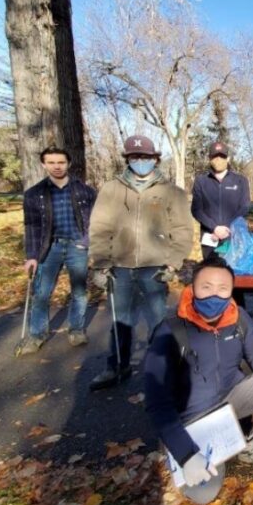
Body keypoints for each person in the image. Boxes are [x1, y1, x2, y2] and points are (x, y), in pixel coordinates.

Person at [144, 256, 253, 502]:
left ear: (232, 291)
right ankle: (191, 454)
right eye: (206, 287)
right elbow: (156, 402)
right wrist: (186, 454)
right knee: (203, 494)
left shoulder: (238, 317)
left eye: (223, 289)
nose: (214, 296)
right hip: (194, 418)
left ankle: (251, 447)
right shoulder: (170, 331)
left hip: (231, 398)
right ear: (192, 289)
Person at [88, 135, 194, 391]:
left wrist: (173, 263)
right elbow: (100, 227)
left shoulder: (172, 192)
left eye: (146, 157)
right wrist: (101, 264)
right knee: (120, 319)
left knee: (158, 319)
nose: (141, 161)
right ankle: (117, 366)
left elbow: (182, 230)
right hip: (120, 267)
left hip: (155, 267)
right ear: (127, 159)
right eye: (135, 157)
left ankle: (162, 370)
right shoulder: (111, 189)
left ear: (155, 159)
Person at [17, 146, 97, 355]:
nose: (57, 166)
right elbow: (31, 226)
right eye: (51, 162)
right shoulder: (34, 194)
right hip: (48, 248)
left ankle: (76, 329)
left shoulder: (85, 191)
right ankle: (37, 334)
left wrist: (86, 242)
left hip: (77, 246)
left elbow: (95, 221)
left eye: (61, 162)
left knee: (79, 291)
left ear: (68, 164)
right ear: (44, 165)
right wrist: (31, 256)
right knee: (41, 293)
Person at [190, 141, 250, 259]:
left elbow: (244, 207)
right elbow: (196, 210)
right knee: (210, 270)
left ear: (228, 158)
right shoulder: (201, 181)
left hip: (233, 234)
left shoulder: (241, 181)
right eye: (215, 156)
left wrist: (227, 227)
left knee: (231, 271)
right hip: (210, 237)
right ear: (209, 159)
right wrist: (215, 228)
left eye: (222, 156)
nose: (218, 159)